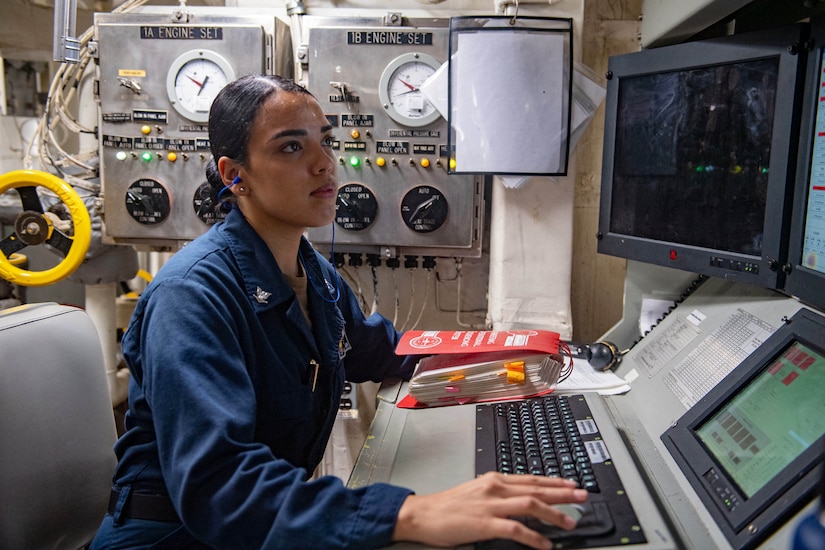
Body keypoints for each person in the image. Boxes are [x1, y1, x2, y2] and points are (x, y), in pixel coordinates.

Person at [90, 74, 587, 550]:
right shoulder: (192, 296)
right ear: (234, 174)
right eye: (291, 147)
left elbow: (385, 352)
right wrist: (408, 514)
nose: (324, 163)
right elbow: (220, 488)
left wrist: (515, 358)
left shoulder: (314, 274)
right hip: (176, 539)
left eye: (324, 141)